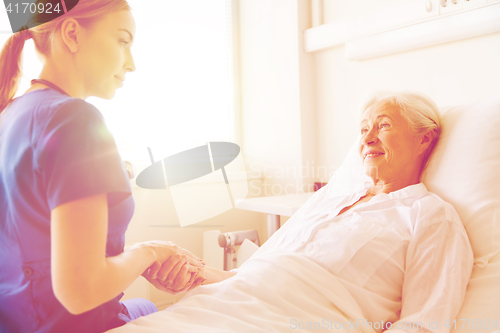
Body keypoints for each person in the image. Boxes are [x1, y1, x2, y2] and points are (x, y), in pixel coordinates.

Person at [132, 91, 474, 333]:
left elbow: (423, 324)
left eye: (383, 126)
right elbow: (253, 276)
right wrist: (194, 276)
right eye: (363, 129)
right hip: (220, 308)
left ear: (424, 139)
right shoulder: (328, 199)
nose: (367, 138)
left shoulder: (429, 216)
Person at [0, 1, 216, 332]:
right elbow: (80, 291)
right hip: (71, 324)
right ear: (72, 34)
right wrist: (150, 251)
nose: (131, 63)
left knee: (145, 304)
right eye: (122, 40)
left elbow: (40, 249)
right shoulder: (73, 120)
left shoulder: (11, 114)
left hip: (18, 321)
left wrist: (139, 262)